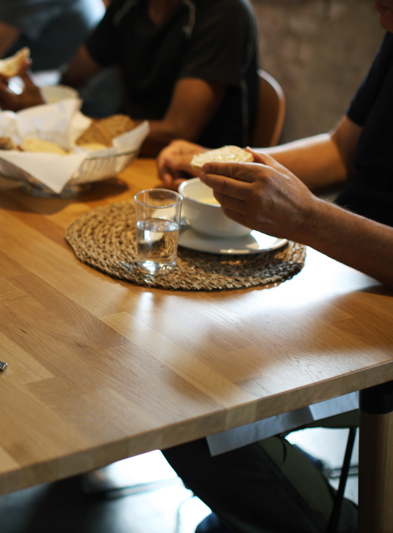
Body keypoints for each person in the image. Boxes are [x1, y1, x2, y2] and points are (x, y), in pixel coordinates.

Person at [156, 2, 393, 530]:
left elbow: (317, 211)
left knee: (192, 406)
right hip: (344, 271)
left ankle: (326, 519)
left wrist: (308, 218)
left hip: (375, 295)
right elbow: (340, 153)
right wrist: (228, 163)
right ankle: (267, 504)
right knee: (167, 350)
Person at [0, 0, 259, 157]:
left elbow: (176, 132)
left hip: (202, 188)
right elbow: (70, 79)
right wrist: (18, 90)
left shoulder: (224, 11)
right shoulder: (130, 7)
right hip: (131, 163)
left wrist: (54, 118)